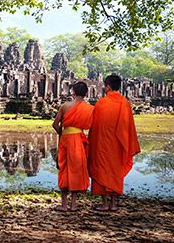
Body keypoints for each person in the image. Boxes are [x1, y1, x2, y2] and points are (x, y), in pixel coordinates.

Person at [88, 74, 140, 211]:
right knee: (115, 171)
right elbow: (129, 127)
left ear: (108, 87)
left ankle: (104, 203)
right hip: (118, 145)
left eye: (105, 86)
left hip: (102, 144)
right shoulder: (125, 103)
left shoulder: (101, 103)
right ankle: (113, 204)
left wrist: (91, 142)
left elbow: (95, 126)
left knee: (101, 170)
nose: (104, 88)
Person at [52, 82, 94, 212]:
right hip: (78, 139)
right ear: (87, 93)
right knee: (76, 169)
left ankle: (64, 205)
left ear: (73, 92)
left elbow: (55, 124)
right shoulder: (89, 108)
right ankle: (73, 205)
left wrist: (63, 133)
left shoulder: (65, 106)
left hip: (66, 139)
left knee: (64, 168)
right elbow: (91, 125)